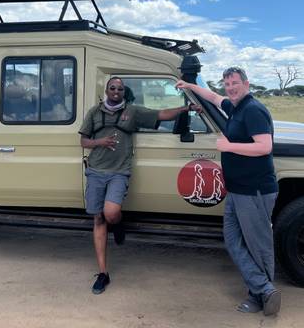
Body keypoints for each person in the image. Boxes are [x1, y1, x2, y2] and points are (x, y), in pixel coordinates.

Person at [79, 76, 201, 295]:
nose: (116, 91)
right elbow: (83, 141)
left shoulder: (132, 112)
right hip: (96, 171)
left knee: (111, 212)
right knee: (98, 218)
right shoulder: (94, 113)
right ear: (107, 90)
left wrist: (187, 108)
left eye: (120, 89)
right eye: (113, 88)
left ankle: (117, 223)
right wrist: (100, 142)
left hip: (119, 172)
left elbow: (161, 115)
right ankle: (103, 273)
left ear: (124, 92)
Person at [176, 67, 280, 316]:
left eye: (235, 83)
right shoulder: (236, 106)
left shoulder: (253, 109)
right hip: (237, 190)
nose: (230, 87)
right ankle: (264, 288)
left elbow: (264, 147)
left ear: (246, 83)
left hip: (254, 191)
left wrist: (228, 146)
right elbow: (212, 97)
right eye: (227, 83)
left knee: (257, 245)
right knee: (233, 240)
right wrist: (190, 86)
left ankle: (261, 295)